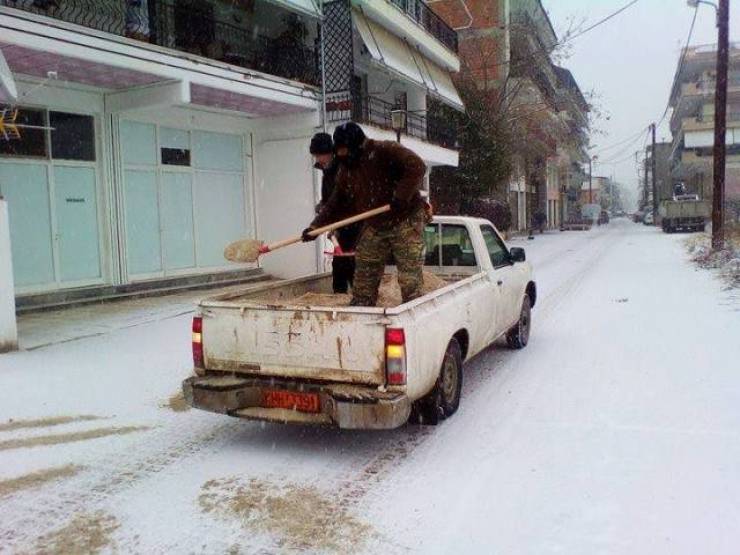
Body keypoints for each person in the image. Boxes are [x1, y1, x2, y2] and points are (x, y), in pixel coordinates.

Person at [303, 123, 427, 306]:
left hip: (404, 218)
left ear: (358, 146)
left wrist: (401, 196)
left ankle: (413, 306)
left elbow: (417, 166)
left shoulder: (384, 150)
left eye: (346, 151)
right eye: (340, 153)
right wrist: (315, 227)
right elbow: (335, 202)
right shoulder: (346, 169)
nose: (343, 157)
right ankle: (363, 303)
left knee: (409, 278)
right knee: (364, 271)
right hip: (376, 223)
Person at [309, 132, 359, 294]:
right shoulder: (327, 171)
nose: (317, 159)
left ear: (329, 152)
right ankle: (339, 297)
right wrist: (322, 208)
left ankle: (361, 298)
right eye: (315, 155)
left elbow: (343, 199)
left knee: (351, 262)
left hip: (355, 223)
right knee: (339, 265)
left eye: (319, 155)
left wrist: (322, 221)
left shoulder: (343, 169)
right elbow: (329, 199)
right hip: (341, 224)